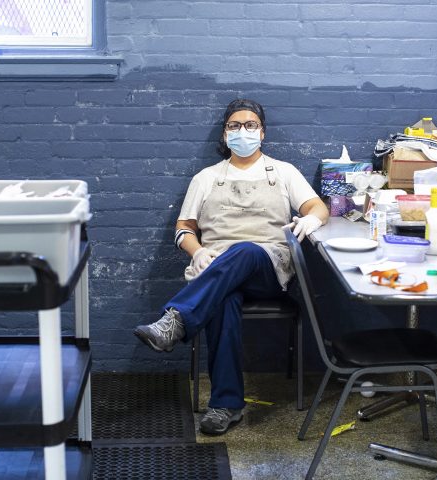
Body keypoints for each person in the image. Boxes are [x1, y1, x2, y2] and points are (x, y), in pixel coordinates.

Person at [134, 99, 329, 435]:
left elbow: (317, 206)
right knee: (223, 300)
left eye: (250, 125)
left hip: (268, 266)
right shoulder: (206, 178)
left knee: (244, 251)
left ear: (262, 132)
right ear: (225, 134)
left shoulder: (283, 172)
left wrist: (313, 218)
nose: (243, 131)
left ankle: (176, 319)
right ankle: (226, 405)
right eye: (235, 126)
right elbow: (184, 228)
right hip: (216, 270)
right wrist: (197, 252)